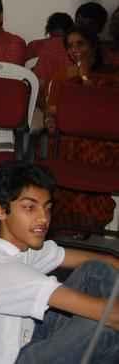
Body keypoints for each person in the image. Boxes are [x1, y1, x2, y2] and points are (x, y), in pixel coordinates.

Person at [0, 161, 119, 364]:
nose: (43, 218)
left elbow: (99, 260)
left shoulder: (7, 243)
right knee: (100, 328)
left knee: (96, 270)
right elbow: (110, 315)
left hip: (22, 341)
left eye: (47, 208)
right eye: (30, 207)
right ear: (0, 210)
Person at [41, 27, 119, 233]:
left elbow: (106, 111)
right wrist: (50, 119)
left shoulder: (112, 74)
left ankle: (90, 217)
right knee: (67, 145)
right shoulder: (63, 75)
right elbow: (52, 107)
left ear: (92, 45)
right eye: (70, 46)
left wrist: (84, 78)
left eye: (80, 44)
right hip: (71, 137)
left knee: (89, 149)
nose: (75, 50)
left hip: (107, 140)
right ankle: (68, 218)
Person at [28, 12, 73, 85]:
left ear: (48, 29)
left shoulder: (34, 45)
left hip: (41, 89)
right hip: (70, 90)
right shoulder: (78, 49)